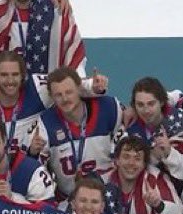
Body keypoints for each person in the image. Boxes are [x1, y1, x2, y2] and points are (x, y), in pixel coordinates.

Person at [0, 51, 108, 153]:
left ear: (23, 76)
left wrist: (93, 86)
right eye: (4, 75)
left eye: (15, 74)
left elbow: (68, 86)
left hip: (26, 164)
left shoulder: (38, 89)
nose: (10, 81)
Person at [29, 67, 123, 199]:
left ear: (80, 89)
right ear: (51, 96)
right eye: (58, 95)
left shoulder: (109, 108)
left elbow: (129, 143)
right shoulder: (45, 123)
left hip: (109, 195)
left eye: (69, 92)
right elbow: (36, 168)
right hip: (68, 199)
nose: (65, 99)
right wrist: (33, 153)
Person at [124, 76, 183, 204]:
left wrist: (169, 154)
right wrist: (153, 158)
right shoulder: (131, 128)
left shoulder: (179, 121)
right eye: (140, 105)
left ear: (162, 102)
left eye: (151, 104)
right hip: (159, 189)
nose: (146, 110)